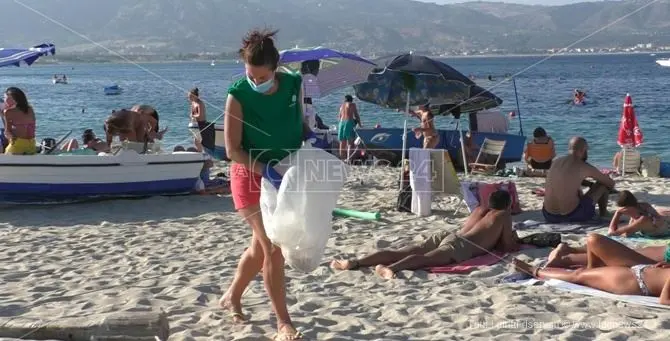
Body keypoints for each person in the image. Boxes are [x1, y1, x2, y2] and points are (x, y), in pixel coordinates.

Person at [220, 28, 313, 341]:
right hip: (249, 173)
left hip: (286, 172)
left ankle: (232, 296)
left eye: (261, 77)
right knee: (272, 245)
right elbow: (232, 149)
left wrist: (308, 135)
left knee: (259, 247)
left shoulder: (294, 84)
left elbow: (298, 122)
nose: (255, 82)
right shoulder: (238, 94)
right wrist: (264, 169)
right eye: (250, 75)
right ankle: (283, 323)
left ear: (275, 70)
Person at [331, 190, 519, 279]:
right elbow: (506, 247)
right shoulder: (503, 215)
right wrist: (514, 238)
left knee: (402, 251)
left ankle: (355, 262)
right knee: (424, 259)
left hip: (449, 234)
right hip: (461, 246)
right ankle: (390, 268)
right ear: (507, 205)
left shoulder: (480, 209)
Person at [513, 257, 670, 304]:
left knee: (579, 276)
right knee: (582, 273)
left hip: (632, 281)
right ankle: (537, 270)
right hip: (635, 273)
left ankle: (534, 271)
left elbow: (664, 300)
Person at [542, 137, 615, 223]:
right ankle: (603, 213)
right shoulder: (583, 165)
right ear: (584, 150)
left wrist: (588, 184)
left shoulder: (556, 162)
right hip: (573, 215)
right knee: (602, 184)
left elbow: (565, 180)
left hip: (548, 215)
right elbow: (610, 183)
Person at [544, 233, 668, 269]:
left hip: (662, 252)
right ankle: (566, 256)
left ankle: (570, 251)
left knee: (619, 252)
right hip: (660, 256)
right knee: (610, 253)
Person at [3, 87, 36, 155]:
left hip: (17, 145)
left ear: (11, 98)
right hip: (31, 145)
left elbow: (7, 132)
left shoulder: (8, 112)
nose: (4, 100)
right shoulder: (30, 109)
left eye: (5, 97)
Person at [337, 94, 361, 160]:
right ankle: (348, 160)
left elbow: (339, 117)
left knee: (342, 143)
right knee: (350, 143)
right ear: (351, 100)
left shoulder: (342, 106)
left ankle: (342, 159)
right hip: (349, 122)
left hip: (341, 123)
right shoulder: (352, 104)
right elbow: (356, 115)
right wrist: (360, 124)